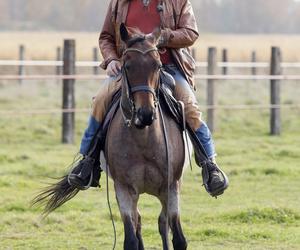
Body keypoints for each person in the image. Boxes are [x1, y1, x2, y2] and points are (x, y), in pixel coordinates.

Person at [68, 0, 228, 197]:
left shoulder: (178, 2)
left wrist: (162, 36)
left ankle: (210, 165)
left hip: (167, 68)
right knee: (100, 100)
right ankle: (87, 162)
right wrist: (110, 60)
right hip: (130, 70)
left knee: (190, 108)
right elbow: (106, 37)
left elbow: (191, 33)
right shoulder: (118, 3)